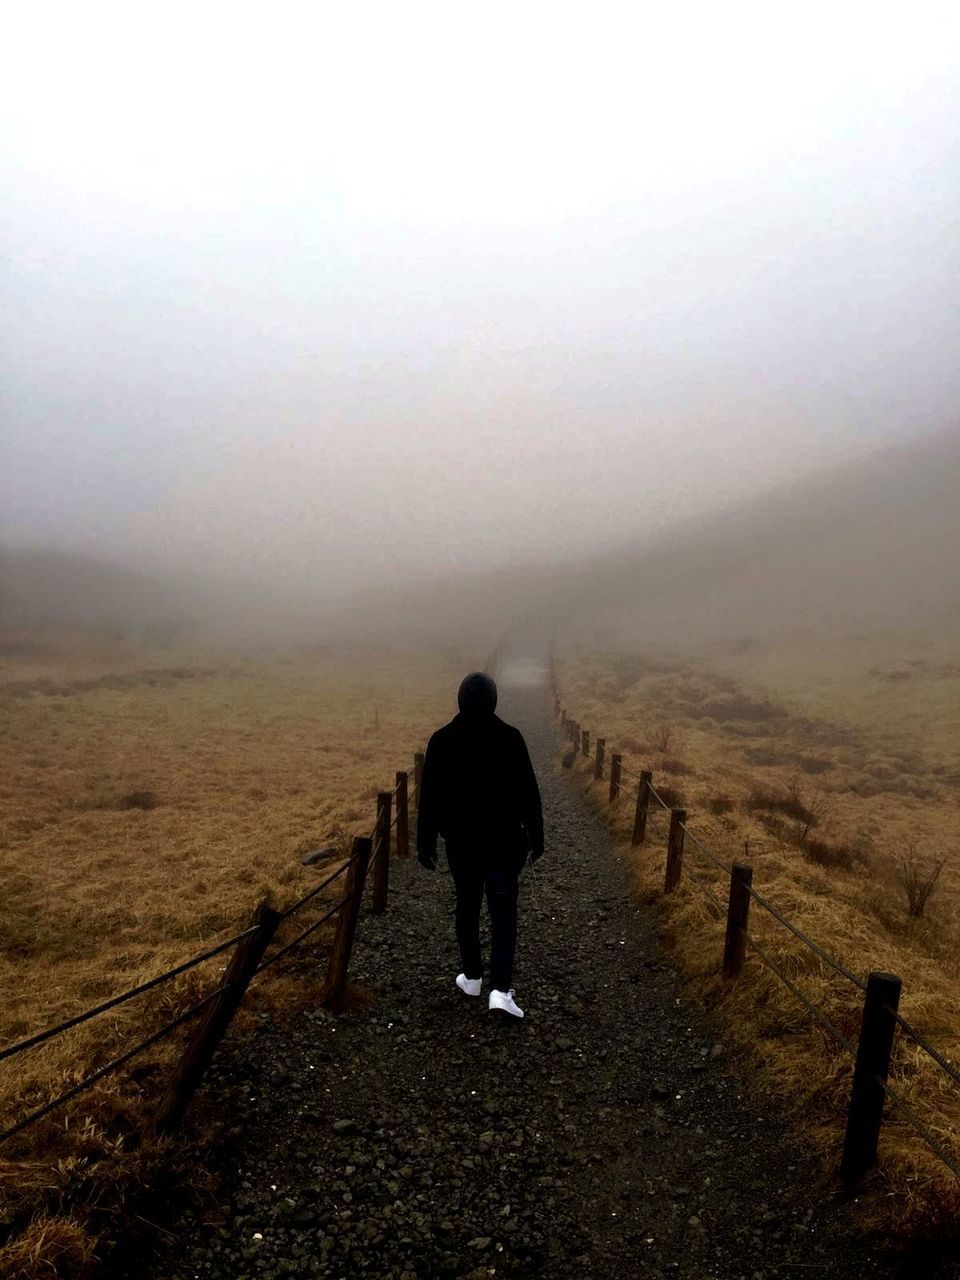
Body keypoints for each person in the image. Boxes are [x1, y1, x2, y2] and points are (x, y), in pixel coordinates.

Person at [416, 671, 543, 1018]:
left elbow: (428, 796)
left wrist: (425, 840)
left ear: (460, 699)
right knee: (503, 913)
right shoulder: (511, 737)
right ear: (493, 699)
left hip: (462, 845)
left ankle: (472, 977)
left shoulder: (441, 740)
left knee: (467, 906)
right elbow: (528, 791)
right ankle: (500, 991)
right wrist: (537, 835)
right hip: (504, 846)